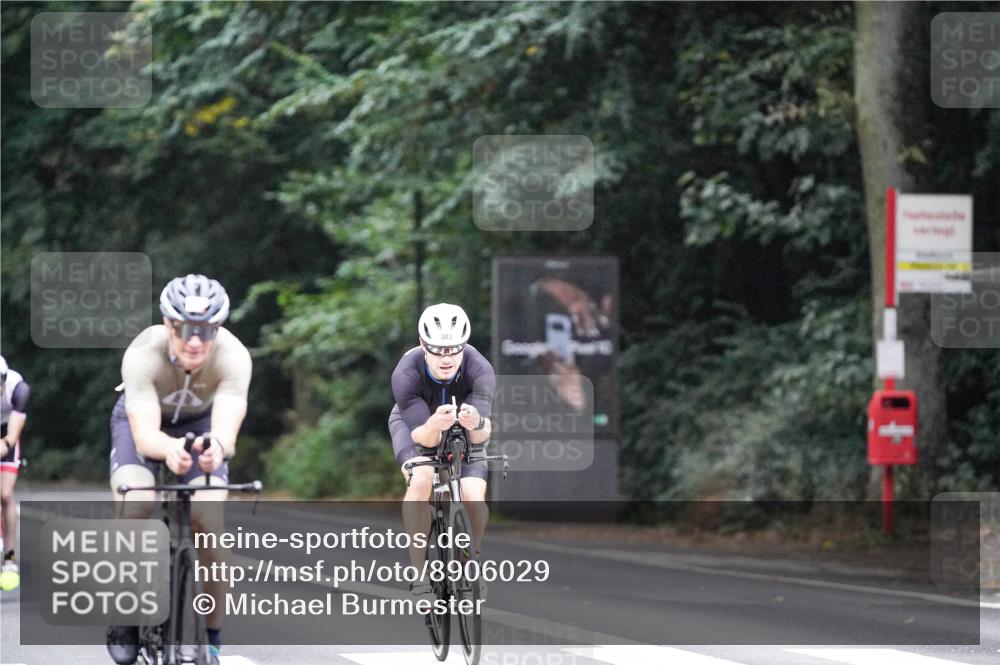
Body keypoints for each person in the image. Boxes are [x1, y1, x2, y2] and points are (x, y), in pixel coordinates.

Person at [106, 275, 251, 665]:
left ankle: (213, 639)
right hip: (142, 425)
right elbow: (145, 437)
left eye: (206, 330)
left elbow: (226, 429)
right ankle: (125, 615)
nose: (195, 341)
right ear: (168, 325)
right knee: (137, 504)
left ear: (218, 329)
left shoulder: (234, 356)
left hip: (201, 424)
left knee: (209, 522)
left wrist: (217, 448)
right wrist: (169, 448)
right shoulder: (143, 352)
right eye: (185, 329)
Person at [389, 303, 495, 598]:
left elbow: (482, 434)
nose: (446, 358)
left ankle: (469, 561)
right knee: (421, 481)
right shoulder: (406, 373)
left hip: (463, 430)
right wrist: (435, 424)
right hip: (417, 425)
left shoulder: (481, 369)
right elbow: (423, 438)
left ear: (465, 345)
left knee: (474, 497)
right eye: (437, 350)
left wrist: (475, 423)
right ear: (423, 345)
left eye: (454, 349)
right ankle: (419, 573)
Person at [0, 354, 30, 582]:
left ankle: (9, 557)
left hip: (6, 433)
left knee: (5, 494)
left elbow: (13, 432)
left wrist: (6, 443)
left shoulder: (18, 388)